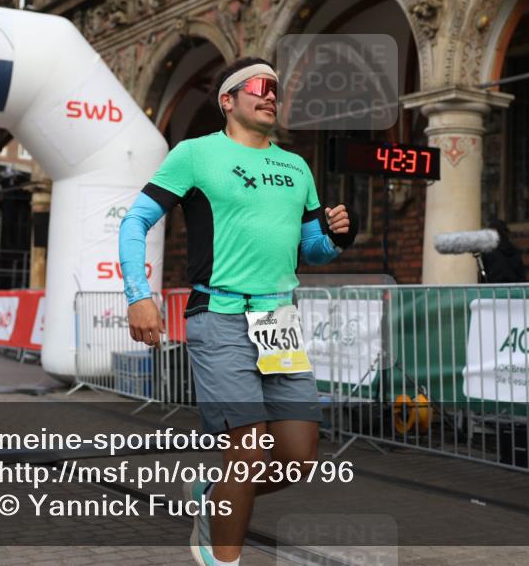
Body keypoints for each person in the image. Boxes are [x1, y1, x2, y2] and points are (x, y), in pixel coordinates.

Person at [120, 57, 356, 566]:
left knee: (298, 460)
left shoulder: (296, 167)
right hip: (219, 316)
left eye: (275, 87)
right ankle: (221, 557)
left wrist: (337, 234)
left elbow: (311, 249)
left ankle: (214, 493)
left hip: (280, 325)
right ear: (228, 100)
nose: (270, 94)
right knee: (247, 451)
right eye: (257, 85)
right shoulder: (195, 155)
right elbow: (134, 222)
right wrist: (139, 294)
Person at [480, 219, 527, 283]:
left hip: (494, 290)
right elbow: (521, 276)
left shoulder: (488, 252)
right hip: (514, 290)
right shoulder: (514, 251)